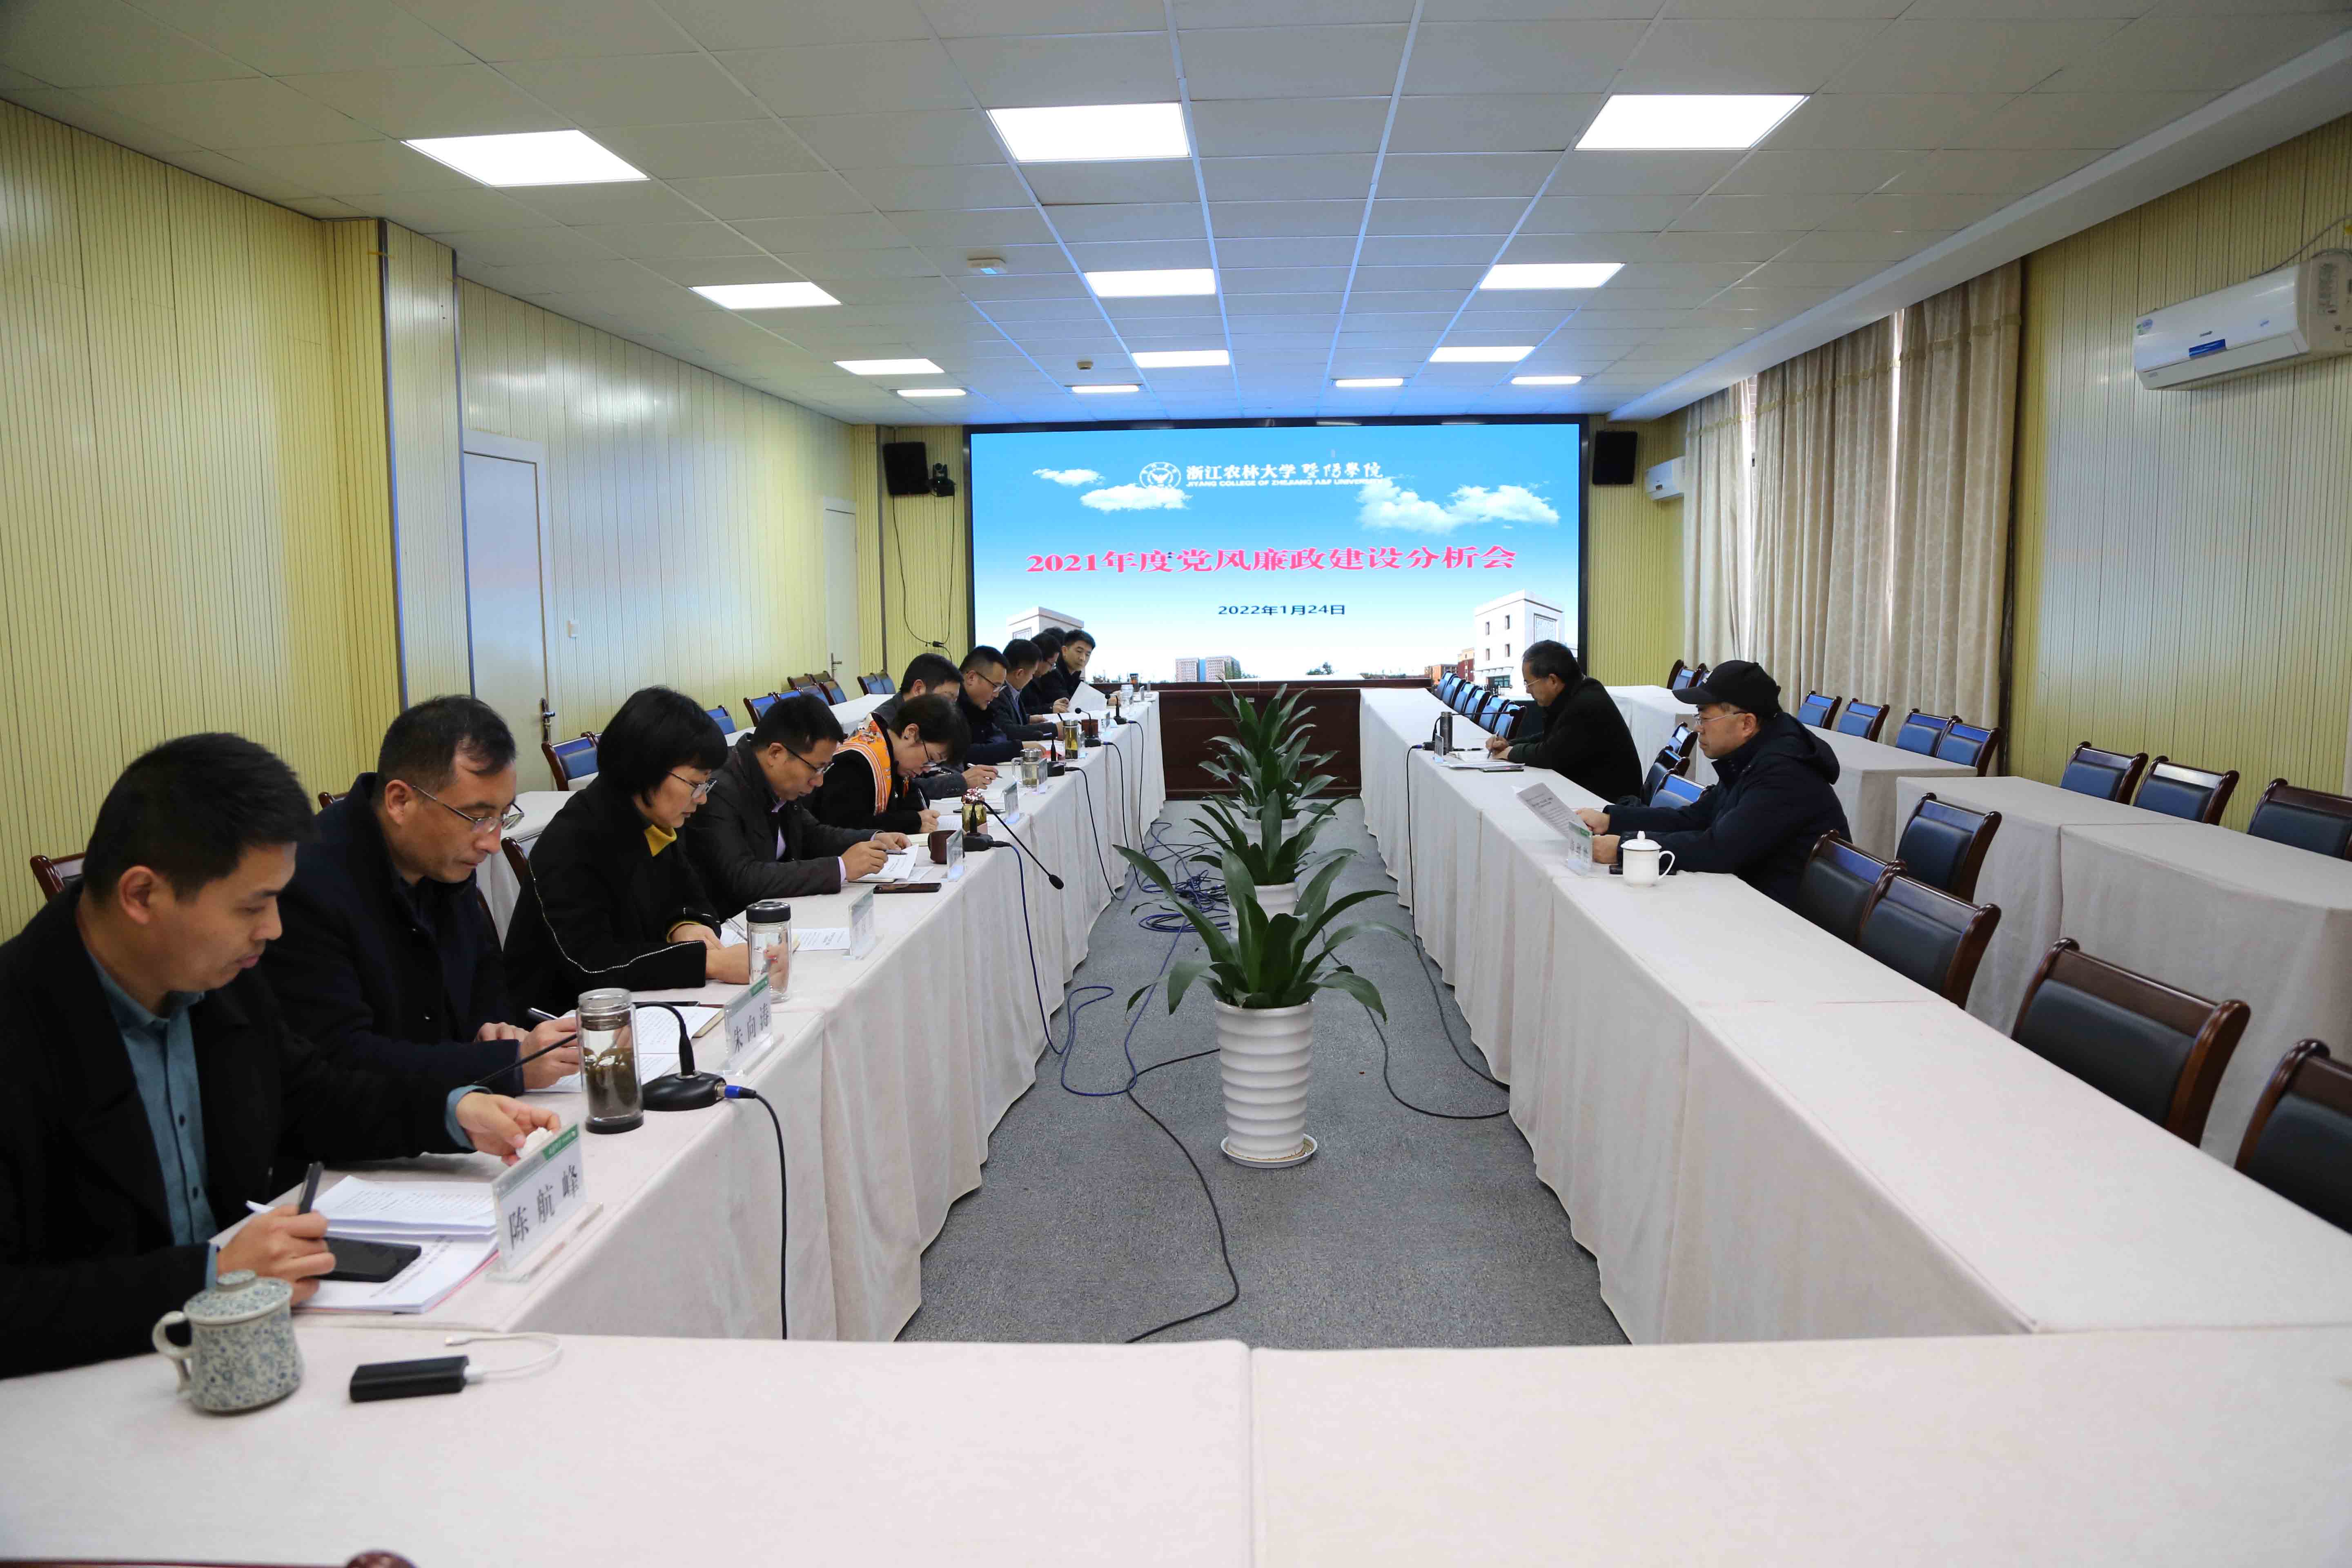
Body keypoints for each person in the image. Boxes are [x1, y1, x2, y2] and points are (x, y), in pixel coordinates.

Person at [0, 734, 559, 1376]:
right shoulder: (23, 1025)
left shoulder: (214, 976)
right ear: (142, 895)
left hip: (252, 1352)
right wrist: (211, 1273)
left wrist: (452, 1112)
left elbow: (310, 1094)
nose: (272, 929)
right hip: (93, 1387)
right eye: (253, 905)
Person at [263, 697, 579, 1095]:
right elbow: (341, 1057)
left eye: (502, 816)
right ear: (400, 801)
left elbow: (484, 975)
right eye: (478, 817)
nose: (492, 842)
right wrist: (506, 1064)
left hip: (455, 1102)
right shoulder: (307, 884)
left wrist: (495, 1029)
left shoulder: (441, 860)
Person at [502, 686, 752, 1016]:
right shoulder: (573, 839)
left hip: (641, 1002)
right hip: (563, 1022)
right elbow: (591, 965)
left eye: (707, 784)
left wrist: (685, 925)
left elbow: (693, 896)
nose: (702, 798)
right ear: (648, 769)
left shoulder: (654, 818)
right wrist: (708, 963)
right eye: (696, 784)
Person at [1575, 660, 1848, 906]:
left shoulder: (1784, 772)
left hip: (1789, 920)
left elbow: (1721, 849)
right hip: (1750, 898)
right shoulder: (1751, 756)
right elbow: (1695, 818)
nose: (1698, 728)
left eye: (1705, 719)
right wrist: (1612, 821)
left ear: (1747, 724)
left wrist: (1626, 849)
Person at [681, 693, 913, 906]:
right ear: (776, 754)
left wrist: (873, 838)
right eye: (816, 768)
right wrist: (841, 868)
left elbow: (812, 834)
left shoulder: (779, 783)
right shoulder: (719, 791)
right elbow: (743, 879)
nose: (819, 781)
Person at [1483, 640, 1644, 801]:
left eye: (1529, 684)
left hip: (1611, 803)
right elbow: (1551, 737)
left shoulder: (1587, 703)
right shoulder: (1577, 692)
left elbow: (1549, 755)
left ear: (1553, 681)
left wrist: (1510, 752)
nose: (1528, 690)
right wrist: (1509, 744)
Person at [808, 694, 968, 837]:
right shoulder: (856, 762)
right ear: (911, 733)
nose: (926, 769)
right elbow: (845, 827)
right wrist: (912, 821)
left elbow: (914, 802)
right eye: (930, 759)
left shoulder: (894, 758)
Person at [870, 652, 990, 797]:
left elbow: (953, 759)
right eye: (946, 699)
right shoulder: (882, 728)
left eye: (954, 702)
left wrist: (943, 776)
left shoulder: (932, 720)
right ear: (919, 689)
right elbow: (895, 788)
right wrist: (954, 782)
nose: (950, 707)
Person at [956, 645, 1020, 767]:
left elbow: (1000, 735)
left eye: (1000, 688)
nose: (996, 695)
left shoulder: (979, 705)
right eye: (995, 686)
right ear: (971, 678)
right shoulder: (950, 707)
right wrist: (1017, 748)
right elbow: (962, 754)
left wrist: (988, 748)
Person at [995, 638, 1056, 746]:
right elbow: (1009, 731)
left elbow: (1009, 717)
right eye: (1032, 674)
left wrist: (1028, 719)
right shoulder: (997, 694)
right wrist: (1054, 729)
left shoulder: (1013, 689)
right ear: (1020, 674)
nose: (1032, 678)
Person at [1028, 629, 1096, 715]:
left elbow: (1086, 694)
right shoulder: (1052, 673)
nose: (1083, 658)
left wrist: (1106, 698)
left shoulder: (1074, 674)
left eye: (1088, 655)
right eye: (1079, 651)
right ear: (1064, 650)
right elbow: (1069, 705)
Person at [1023, 628, 1071, 717]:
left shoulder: (1038, 678)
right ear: (1040, 659)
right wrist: (1050, 709)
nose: (1051, 670)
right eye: (1052, 664)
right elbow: (1019, 713)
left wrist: (1054, 706)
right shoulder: (1023, 679)